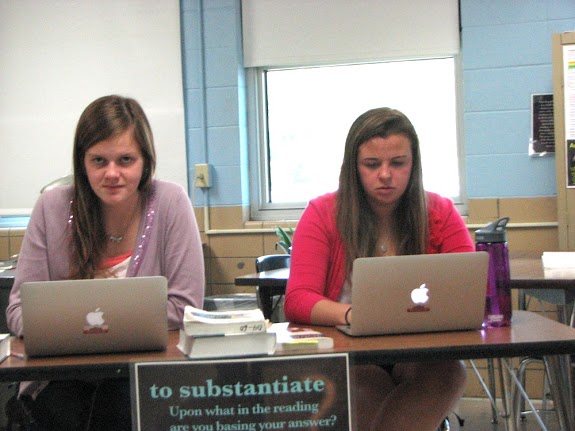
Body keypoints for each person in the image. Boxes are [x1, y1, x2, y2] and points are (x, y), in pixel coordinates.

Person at [6, 95, 205, 430]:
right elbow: (17, 311)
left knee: (120, 408)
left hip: (144, 372)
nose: (112, 173)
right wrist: (110, 327)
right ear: (82, 162)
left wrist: (80, 326)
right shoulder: (51, 206)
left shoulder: (171, 201)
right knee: (64, 410)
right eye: (99, 160)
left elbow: (186, 307)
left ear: (145, 161)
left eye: (125, 159)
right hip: (61, 377)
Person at [284, 107, 472, 431]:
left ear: (414, 166)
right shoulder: (323, 213)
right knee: (363, 383)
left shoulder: (440, 211)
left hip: (420, 350)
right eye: (372, 165)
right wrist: (352, 315)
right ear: (353, 168)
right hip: (349, 351)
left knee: (449, 374)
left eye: (397, 163)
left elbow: (470, 286)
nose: (385, 174)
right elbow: (298, 299)